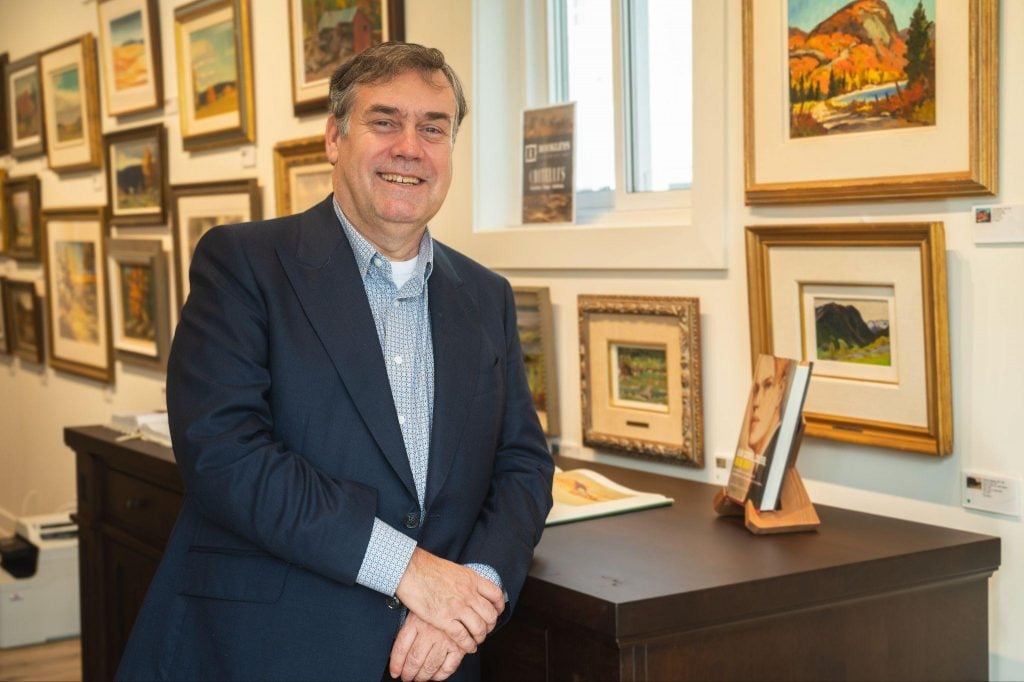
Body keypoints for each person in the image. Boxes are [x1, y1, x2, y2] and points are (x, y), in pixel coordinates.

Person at [116, 42, 554, 682]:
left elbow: (523, 463)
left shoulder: (486, 295)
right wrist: (409, 570)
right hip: (265, 648)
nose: (410, 147)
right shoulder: (243, 264)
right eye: (385, 122)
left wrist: (471, 593)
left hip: (433, 654)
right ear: (333, 138)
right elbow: (224, 451)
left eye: (433, 129)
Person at [725, 354, 790, 504]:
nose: (756, 402)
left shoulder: (774, 462)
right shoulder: (759, 466)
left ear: (780, 392)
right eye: (755, 389)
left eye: (768, 385)